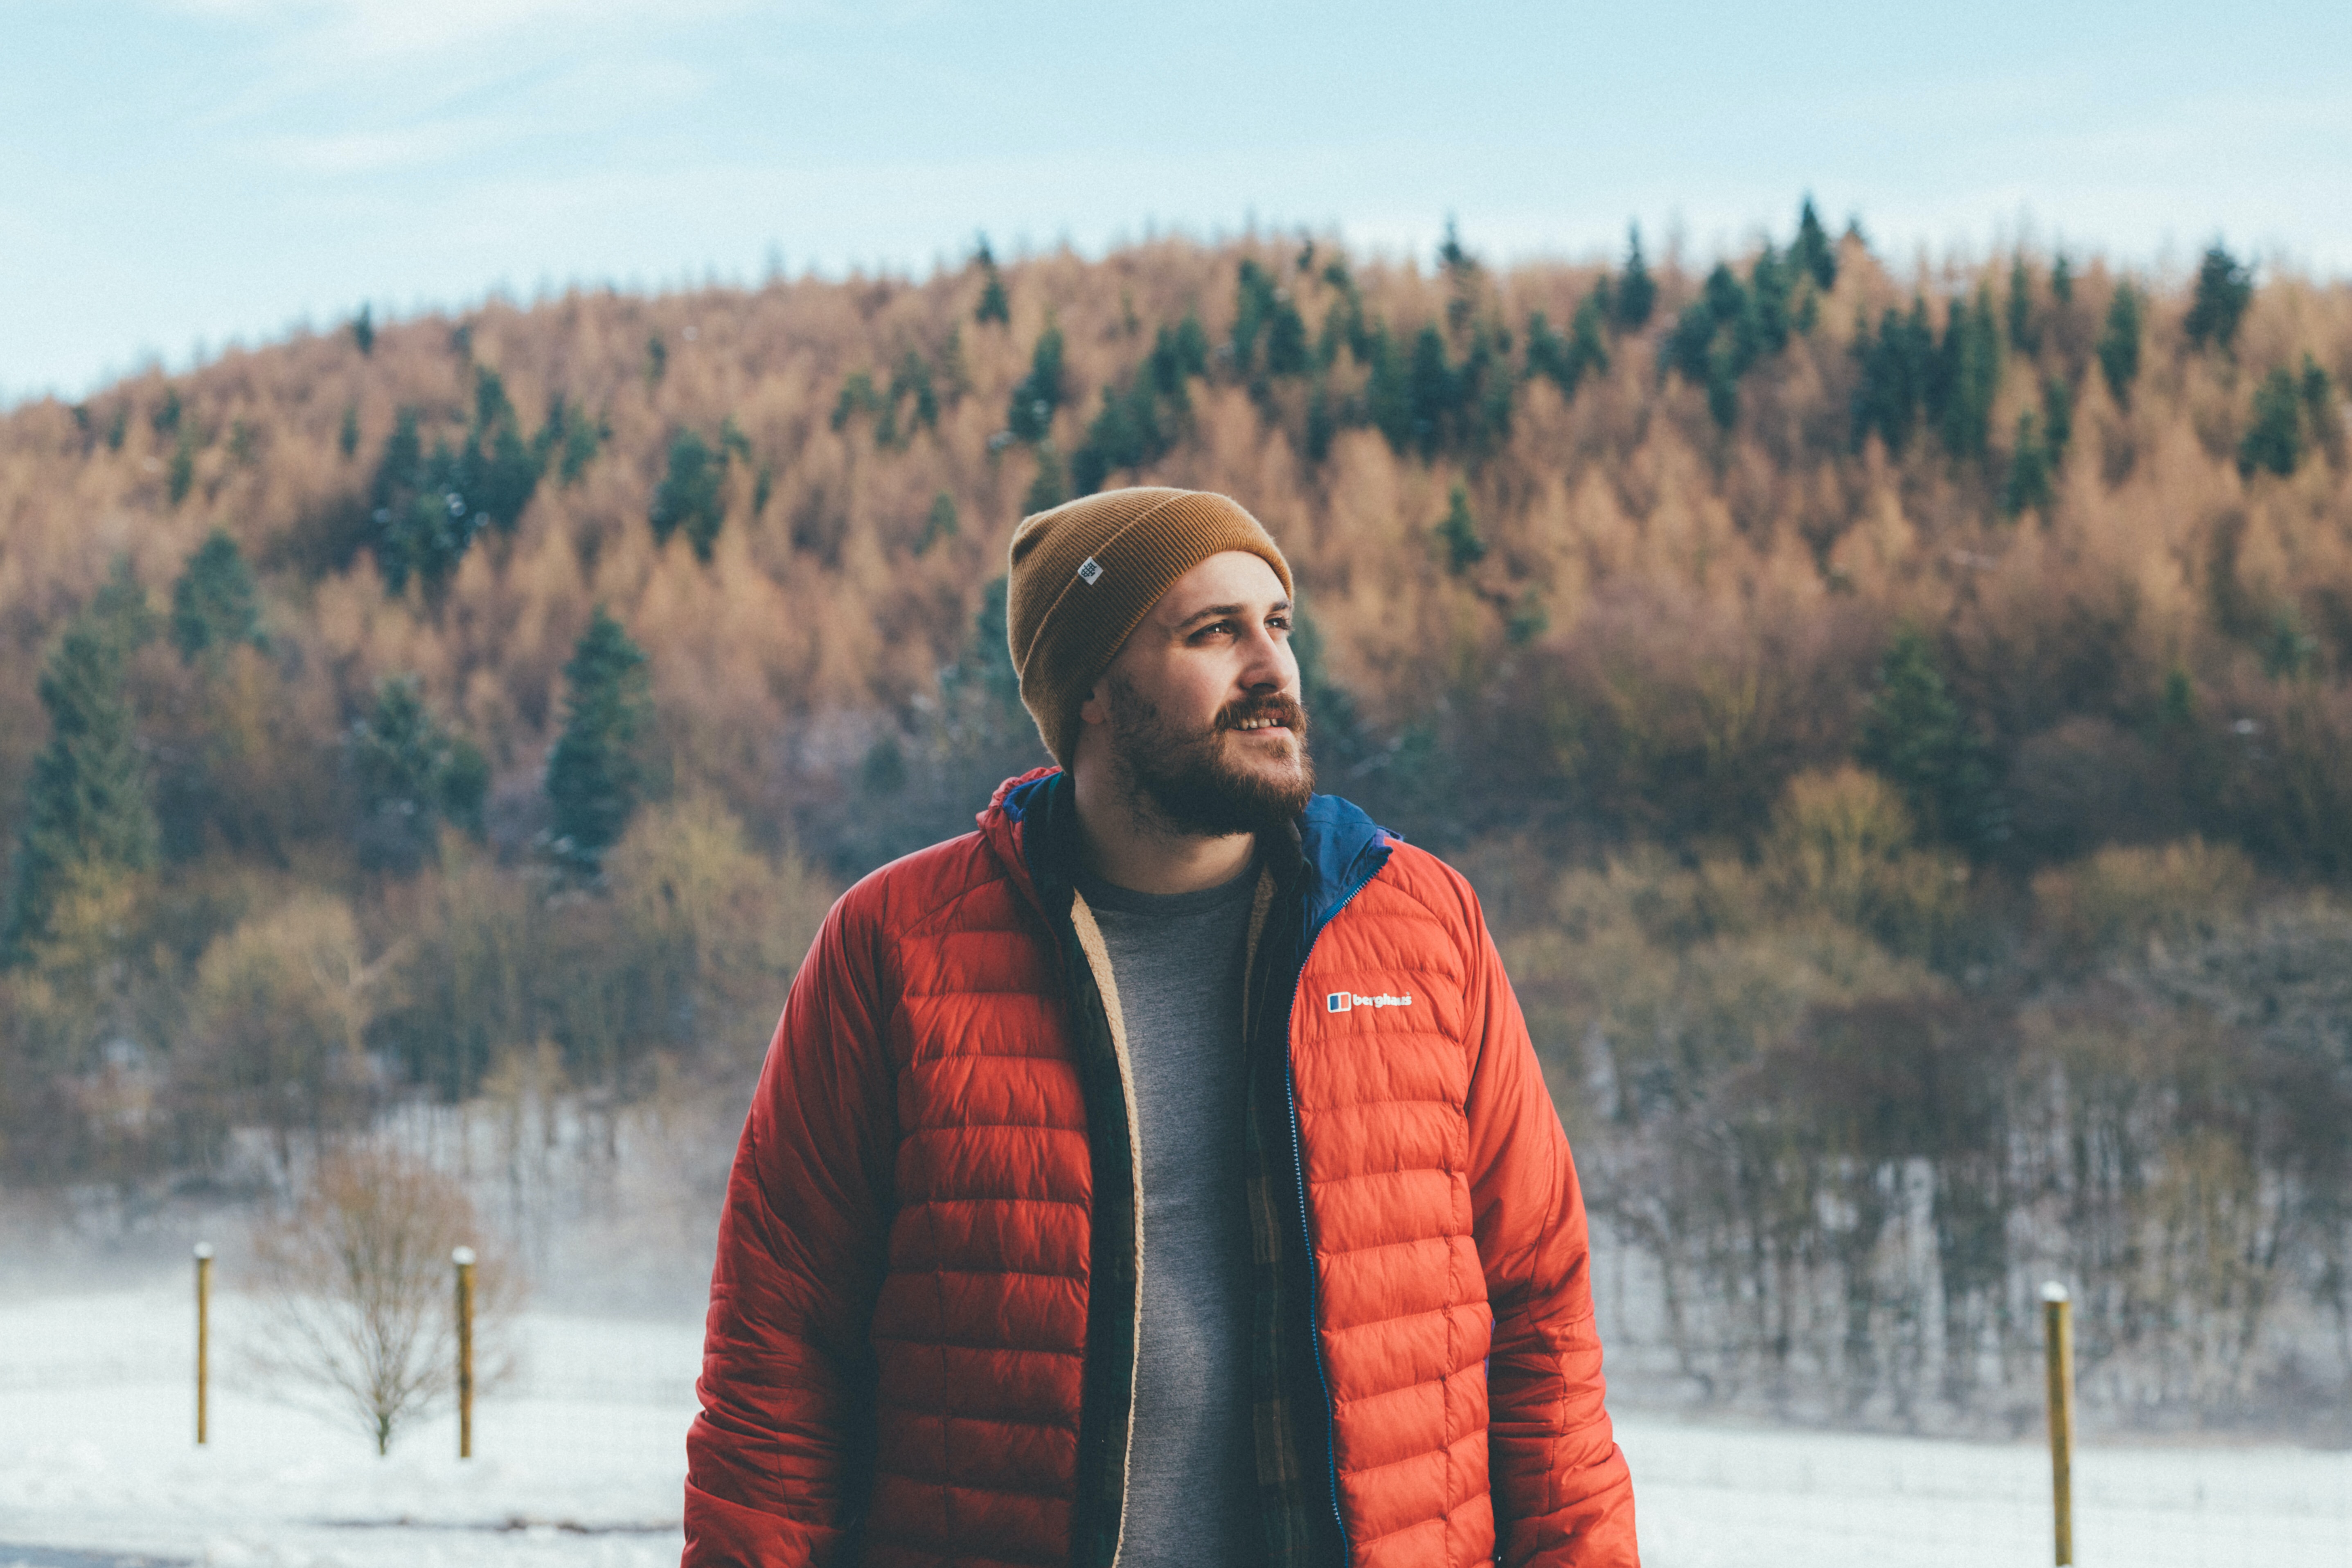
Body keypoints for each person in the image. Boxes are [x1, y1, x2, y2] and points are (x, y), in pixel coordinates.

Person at [684, 487, 1637, 1568]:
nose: (1273, 670)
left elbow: (1540, 1320)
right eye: (1212, 631)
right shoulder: (897, 945)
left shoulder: (1424, 927)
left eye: (1277, 625)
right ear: (1094, 686)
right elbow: (778, 1352)